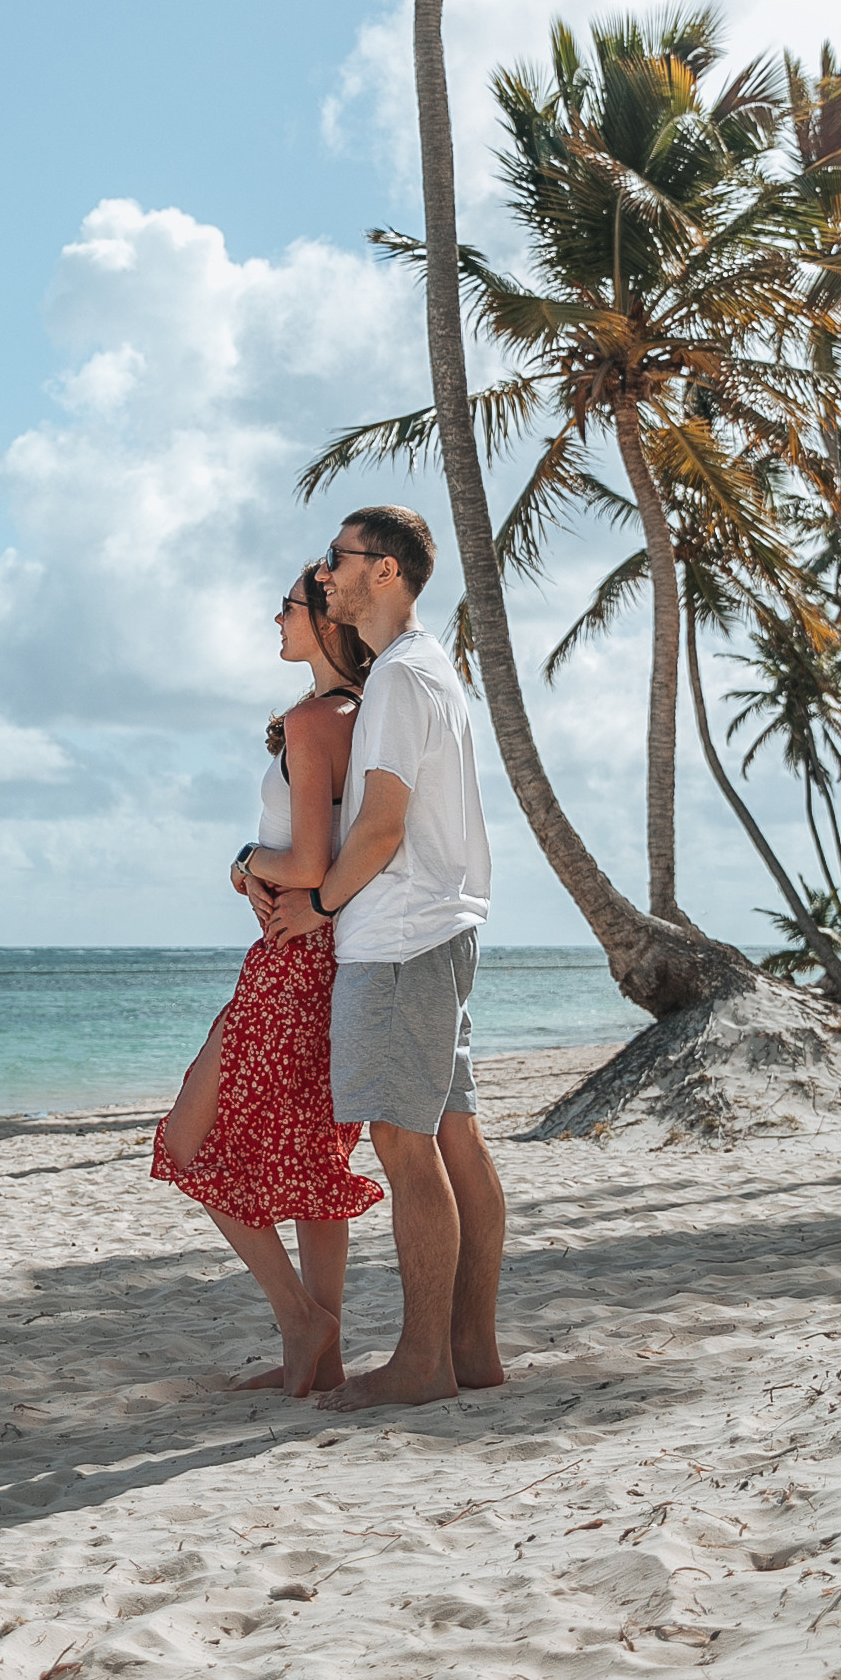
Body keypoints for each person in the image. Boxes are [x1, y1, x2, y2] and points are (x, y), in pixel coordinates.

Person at [265, 504, 506, 1411]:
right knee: (454, 1138)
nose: (326, 573)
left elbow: (381, 825)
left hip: (400, 935)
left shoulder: (403, 679)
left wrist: (319, 905)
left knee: (407, 1148)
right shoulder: (422, 673)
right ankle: (468, 1349)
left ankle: (421, 1362)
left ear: (386, 573)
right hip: (435, 928)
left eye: (340, 557)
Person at [152, 565, 384, 1396]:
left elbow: (309, 861)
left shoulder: (314, 719)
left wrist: (247, 860)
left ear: (326, 621)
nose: (273, 619)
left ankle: (300, 1318)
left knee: (184, 1138)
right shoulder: (363, 714)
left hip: (293, 957)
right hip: (333, 952)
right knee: (316, 1159)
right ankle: (317, 1357)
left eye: (286, 608)